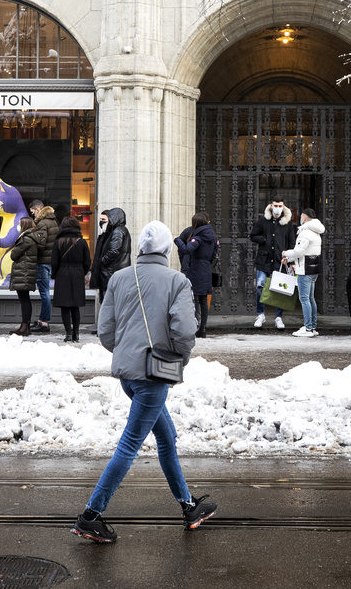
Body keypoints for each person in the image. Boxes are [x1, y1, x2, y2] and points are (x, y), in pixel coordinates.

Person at [71, 221, 217, 543]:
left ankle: (189, 506)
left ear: (140, 248)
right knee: (129, 446)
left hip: (129, 376)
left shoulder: (120, 278)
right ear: (167, 250)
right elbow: (184, 331)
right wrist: (179, 358)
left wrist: (126, 354)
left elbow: (105, 330)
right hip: (154, 377)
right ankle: (90, 516)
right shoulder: (178, 281)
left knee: (166, 439)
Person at [249, 199, 295, 330]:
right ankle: (260, 314)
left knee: (280, 289)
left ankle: (278, 317)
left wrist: (289, 259)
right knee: (260, 286)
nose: (277, 208)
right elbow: (252, 235)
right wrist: (264, 239)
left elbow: (291, 242)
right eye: (275, 206)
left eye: (280, 206)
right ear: (271, 206)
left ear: (283, 207)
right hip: (264, 259)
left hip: (280, 261)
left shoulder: (287, 223)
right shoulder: (263, 220)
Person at [283, 208, 325, 337]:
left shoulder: (306, 232)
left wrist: (286, 253)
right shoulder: (316, 232)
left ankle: (308, 328)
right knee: (311, 299)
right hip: (313, 270)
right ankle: (312, 326)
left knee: (304, 299)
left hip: (304, 270)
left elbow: (299, 251)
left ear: (304, 217)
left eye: (301, 216)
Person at [175, 212, 218, 339]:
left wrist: (177, 240)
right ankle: (202, 328)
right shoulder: (213, 236)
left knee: (191, 298)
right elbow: (214, 255)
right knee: (203, 299)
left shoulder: (198, 238)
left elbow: (187, 249)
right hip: (205, 269)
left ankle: (192, 326)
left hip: (195, 269)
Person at [52, 216, 92, 342]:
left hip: (62, 274)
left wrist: (55, 274)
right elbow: (87, 261)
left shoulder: (58, 241)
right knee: (75, 306)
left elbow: (54, 262)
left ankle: (68, 333)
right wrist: (82, 272)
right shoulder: (82, 241)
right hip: (77, 274)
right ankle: (77, 333)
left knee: (65, 306)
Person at [30, 200, 59, 333]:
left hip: (42, 261)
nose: (32, 215)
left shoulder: (42, 223)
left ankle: (44, 322)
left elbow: (41, 244)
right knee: (45, 292)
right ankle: (42, 320)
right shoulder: (53, 221)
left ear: (37, 209)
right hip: (50, 261)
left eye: (32, 212)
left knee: (44, 293)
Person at [9, 216, 40, 337]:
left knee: (24, 300)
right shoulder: (31, 237)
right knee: (25, 299)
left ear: (24, 226)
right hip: (26, 272)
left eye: (20, 224)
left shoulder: (26, 239)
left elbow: (14, 255)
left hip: (24, 272)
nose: (18, 225)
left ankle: (24, 326)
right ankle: (25, 326)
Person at [92, 208, 131, 304]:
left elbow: (114, 251)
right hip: (114, 271)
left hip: (111, 272)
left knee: (109, 303)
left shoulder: (117, 231)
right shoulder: (121, 231)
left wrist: (102, 261)